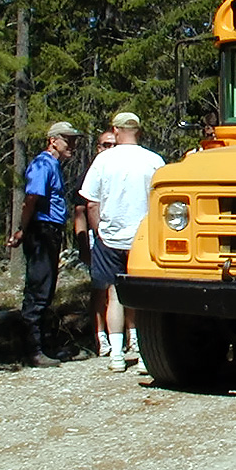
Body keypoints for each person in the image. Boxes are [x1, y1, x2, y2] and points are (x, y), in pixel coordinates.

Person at [80, 112, 165, 373]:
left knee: (115, 294)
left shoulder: (104, 160)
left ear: (116, 130)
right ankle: (142, 353)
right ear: (138, 131)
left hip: (111, 236)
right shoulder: (153, 161)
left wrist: (99, 232)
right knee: (143, 297)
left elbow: (91, 202)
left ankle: (116, 354)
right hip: (142, 237)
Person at [7, 120, 82, 368]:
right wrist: (22, 230)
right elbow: (31, 199)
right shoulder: (42, 164)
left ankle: (44, 345)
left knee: (46, 289)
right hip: (41, 230)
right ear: (53, 141)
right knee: (38, 289)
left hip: (50, 230)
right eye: (67, 139)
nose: (72, 144)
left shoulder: (53, 165)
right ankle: (32, 350)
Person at [73, 129, 116, 356]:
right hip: (96, 238)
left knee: (119, 289)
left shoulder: (122, 171)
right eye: (104, 145)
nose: (109, 149)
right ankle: (100, 337)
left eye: (113, 144)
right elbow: (80, 211)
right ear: (97, 148)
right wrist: (83, 245)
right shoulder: (90, 174)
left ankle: (127, 336)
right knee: (100, 289)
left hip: (120, 236)